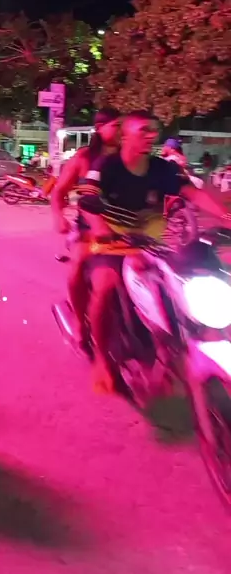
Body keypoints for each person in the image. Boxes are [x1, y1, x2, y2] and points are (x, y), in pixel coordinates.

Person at [78, 110, 231, 394]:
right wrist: (99, 227)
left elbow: (193, 193)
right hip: (114, 241)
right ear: (125, 135)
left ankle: (183, 340)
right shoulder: (106, 166)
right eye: (144, 130)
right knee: (105, 284)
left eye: (154, 130)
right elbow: (87, 199)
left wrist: (225, 217)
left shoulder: (162, 168)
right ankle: (101, 360)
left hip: (154, 242)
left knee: (192, 277)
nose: (151, 136)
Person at [51, 108, 121, 351]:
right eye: (116, 126)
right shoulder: (83, 158)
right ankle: (81, 322)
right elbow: (58, 192)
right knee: (78, 266)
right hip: (88, 229)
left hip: (126, 229)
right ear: (100, 129)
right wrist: (58, 217)